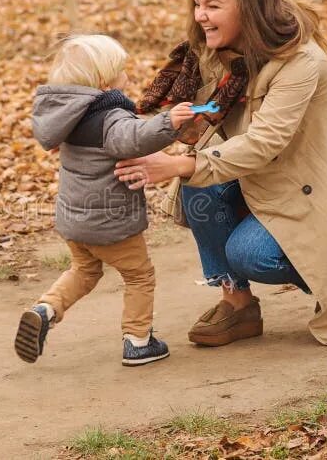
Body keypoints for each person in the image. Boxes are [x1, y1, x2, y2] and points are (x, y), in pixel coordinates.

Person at [114, 0, 327, 346]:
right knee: (196, 187)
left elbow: (264, 142)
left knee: (249, 253)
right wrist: (107, 129)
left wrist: (177, 164)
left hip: (324, 191)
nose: (201, 16)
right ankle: (238, 307)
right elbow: (174, 111)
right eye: (198, 5)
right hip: (273, 176)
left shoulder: (300, 61)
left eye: (213, 6)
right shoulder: (216, 53)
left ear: (249, 10)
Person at [15, 34, 195, 366]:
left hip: (75, 222)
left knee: (84, 270)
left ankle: (46, 308)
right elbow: (133, 139)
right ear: (103, 82)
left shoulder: (67, 117)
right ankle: (138, 341)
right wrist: (169, 123)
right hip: (110, 222)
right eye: (122, 72)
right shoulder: (109, 116)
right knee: (139, 275)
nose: (127, 78)